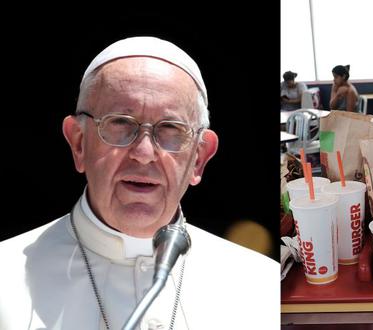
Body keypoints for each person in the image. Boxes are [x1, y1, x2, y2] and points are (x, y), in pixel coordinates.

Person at [0, 37, 278, 329]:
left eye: (171, 129)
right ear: (79, 143)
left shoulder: (260, 287)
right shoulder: (5, 280)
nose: (144, 154)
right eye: (120, 123)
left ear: (198, 157)